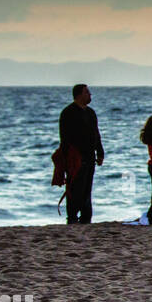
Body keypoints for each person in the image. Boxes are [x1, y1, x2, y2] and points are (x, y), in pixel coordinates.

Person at [58, 83, 104, 224]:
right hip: (75, 158)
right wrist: (66, 159)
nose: (90, 95)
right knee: (74, 189)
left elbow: (96, 134)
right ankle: (72, 218)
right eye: (87, 92)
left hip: (90, 157)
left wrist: (100, 152)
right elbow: (64, 138)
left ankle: (86, 218)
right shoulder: (68, 112)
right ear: (79, 95)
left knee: (86, 189)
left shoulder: (90, 113)